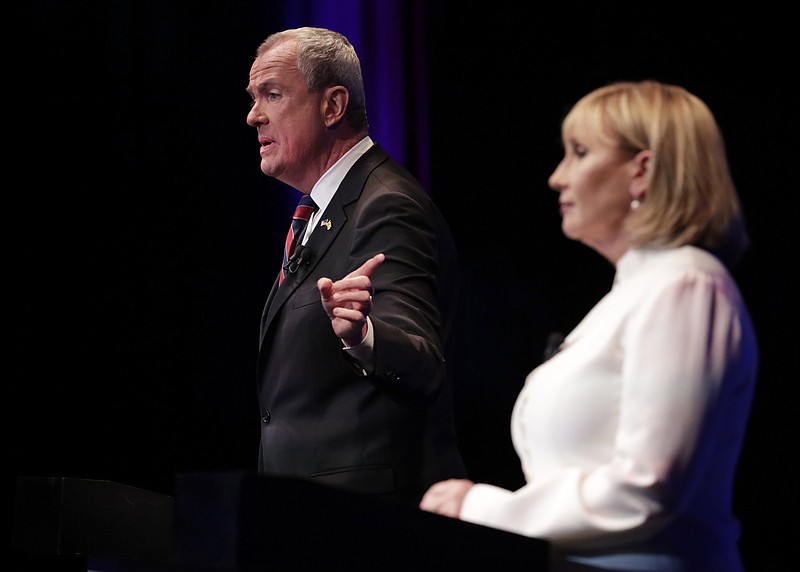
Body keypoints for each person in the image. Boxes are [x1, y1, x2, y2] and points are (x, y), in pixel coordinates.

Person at [419, 80, 759, 571]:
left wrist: (481, 508)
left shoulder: (686, 284)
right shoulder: (633, 294)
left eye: (579, 153)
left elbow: (649, 484)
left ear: (641, 171)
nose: (558, 177)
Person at [245, 26, 466, 506]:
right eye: (253, 97)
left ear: (332, 106)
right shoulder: (324, 211)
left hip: (367, 523)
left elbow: (424, 360)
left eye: (272, 94)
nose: (252, 116)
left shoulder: (386, 205)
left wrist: (364, 336)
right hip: (309, 518)